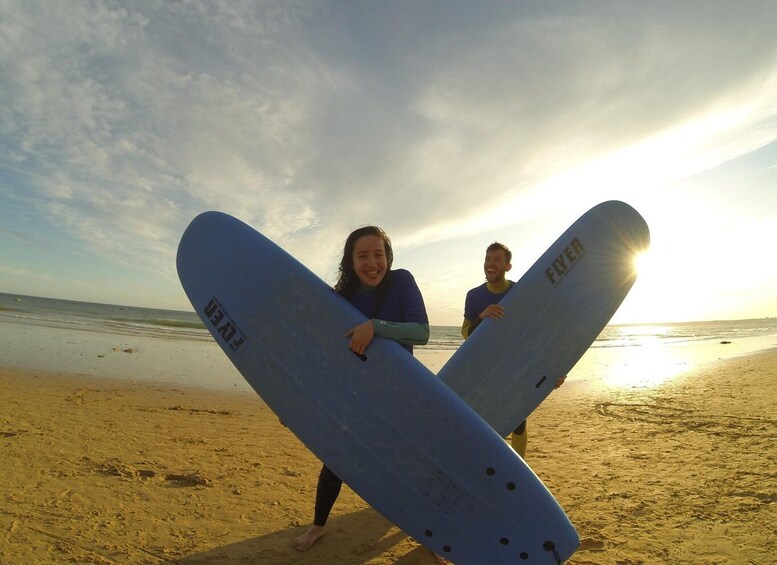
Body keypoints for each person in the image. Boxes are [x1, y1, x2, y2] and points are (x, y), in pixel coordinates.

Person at [293, 226, 446, 563]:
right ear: (350, 261)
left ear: (388, 257)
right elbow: (326, 354)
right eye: (362, 256)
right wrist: (294, 399)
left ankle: (431, 535)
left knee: (411, 464)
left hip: (400, 390)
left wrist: (375, 326)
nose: (372, 262)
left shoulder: (402, 280)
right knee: (336, 459)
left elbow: (421, 332)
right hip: (356, 391)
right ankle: (318, 525)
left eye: (378, 254)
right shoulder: (341, 298)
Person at [462, 242, 565, 458]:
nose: (490, 263)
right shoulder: (474, 296)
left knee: (518, 420)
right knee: (485, 419)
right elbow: (466, 333)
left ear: (507, 266)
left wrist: (555, 368)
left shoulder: (520, 292)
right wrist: (483, 316)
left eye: (496, 260)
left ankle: (520, 462)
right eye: (488, 259)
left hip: (517, 365)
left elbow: (538, 332)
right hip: (486, 368)